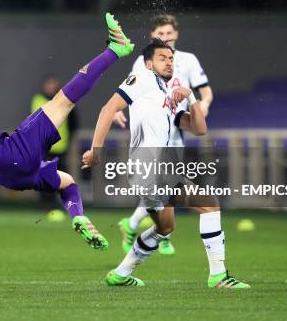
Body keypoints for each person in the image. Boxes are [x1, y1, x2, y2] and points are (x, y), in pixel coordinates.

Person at [0, 13, 135, 251]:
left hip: (12, 177)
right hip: (10, 153)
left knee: (68, 183)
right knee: (64, 99)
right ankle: (115, 49)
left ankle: (78, 217)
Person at [82, 38, 249, 289]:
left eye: (171, 59)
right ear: (149, 64)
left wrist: (190, 97)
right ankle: (218, 276)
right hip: (151, 165)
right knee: (210, 206)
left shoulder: (167, 96)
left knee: (165, 227)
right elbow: (108, 109)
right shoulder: (142, 78)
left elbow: (199, 129)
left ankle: (120, 273)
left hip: (148, 171)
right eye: (162, 58)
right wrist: (96, 151)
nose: (169, 62)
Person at [113, 14, 213, 256]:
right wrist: (117, 109)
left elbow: (206, 92)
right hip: (157, 126)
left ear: (176, 34)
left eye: (169, 33)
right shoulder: (143, 61)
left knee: (165, 184)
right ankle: (161, 233)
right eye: (161, 34)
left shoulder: (188, 60)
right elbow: (130, 89)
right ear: (153, 37)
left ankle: (138, 225)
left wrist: (200, 107)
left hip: (179, 124)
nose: (166, 38)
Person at [31, 76, 78, 207]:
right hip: (44, 146)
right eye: (49, 84)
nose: (51, 87)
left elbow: (73, 122)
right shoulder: (38, 99)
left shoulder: (65, 99)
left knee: (61, 177)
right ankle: (46, 205)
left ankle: (64, 205)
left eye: (53, 84)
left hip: (61, 146)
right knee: (44, 175)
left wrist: (70, 138)